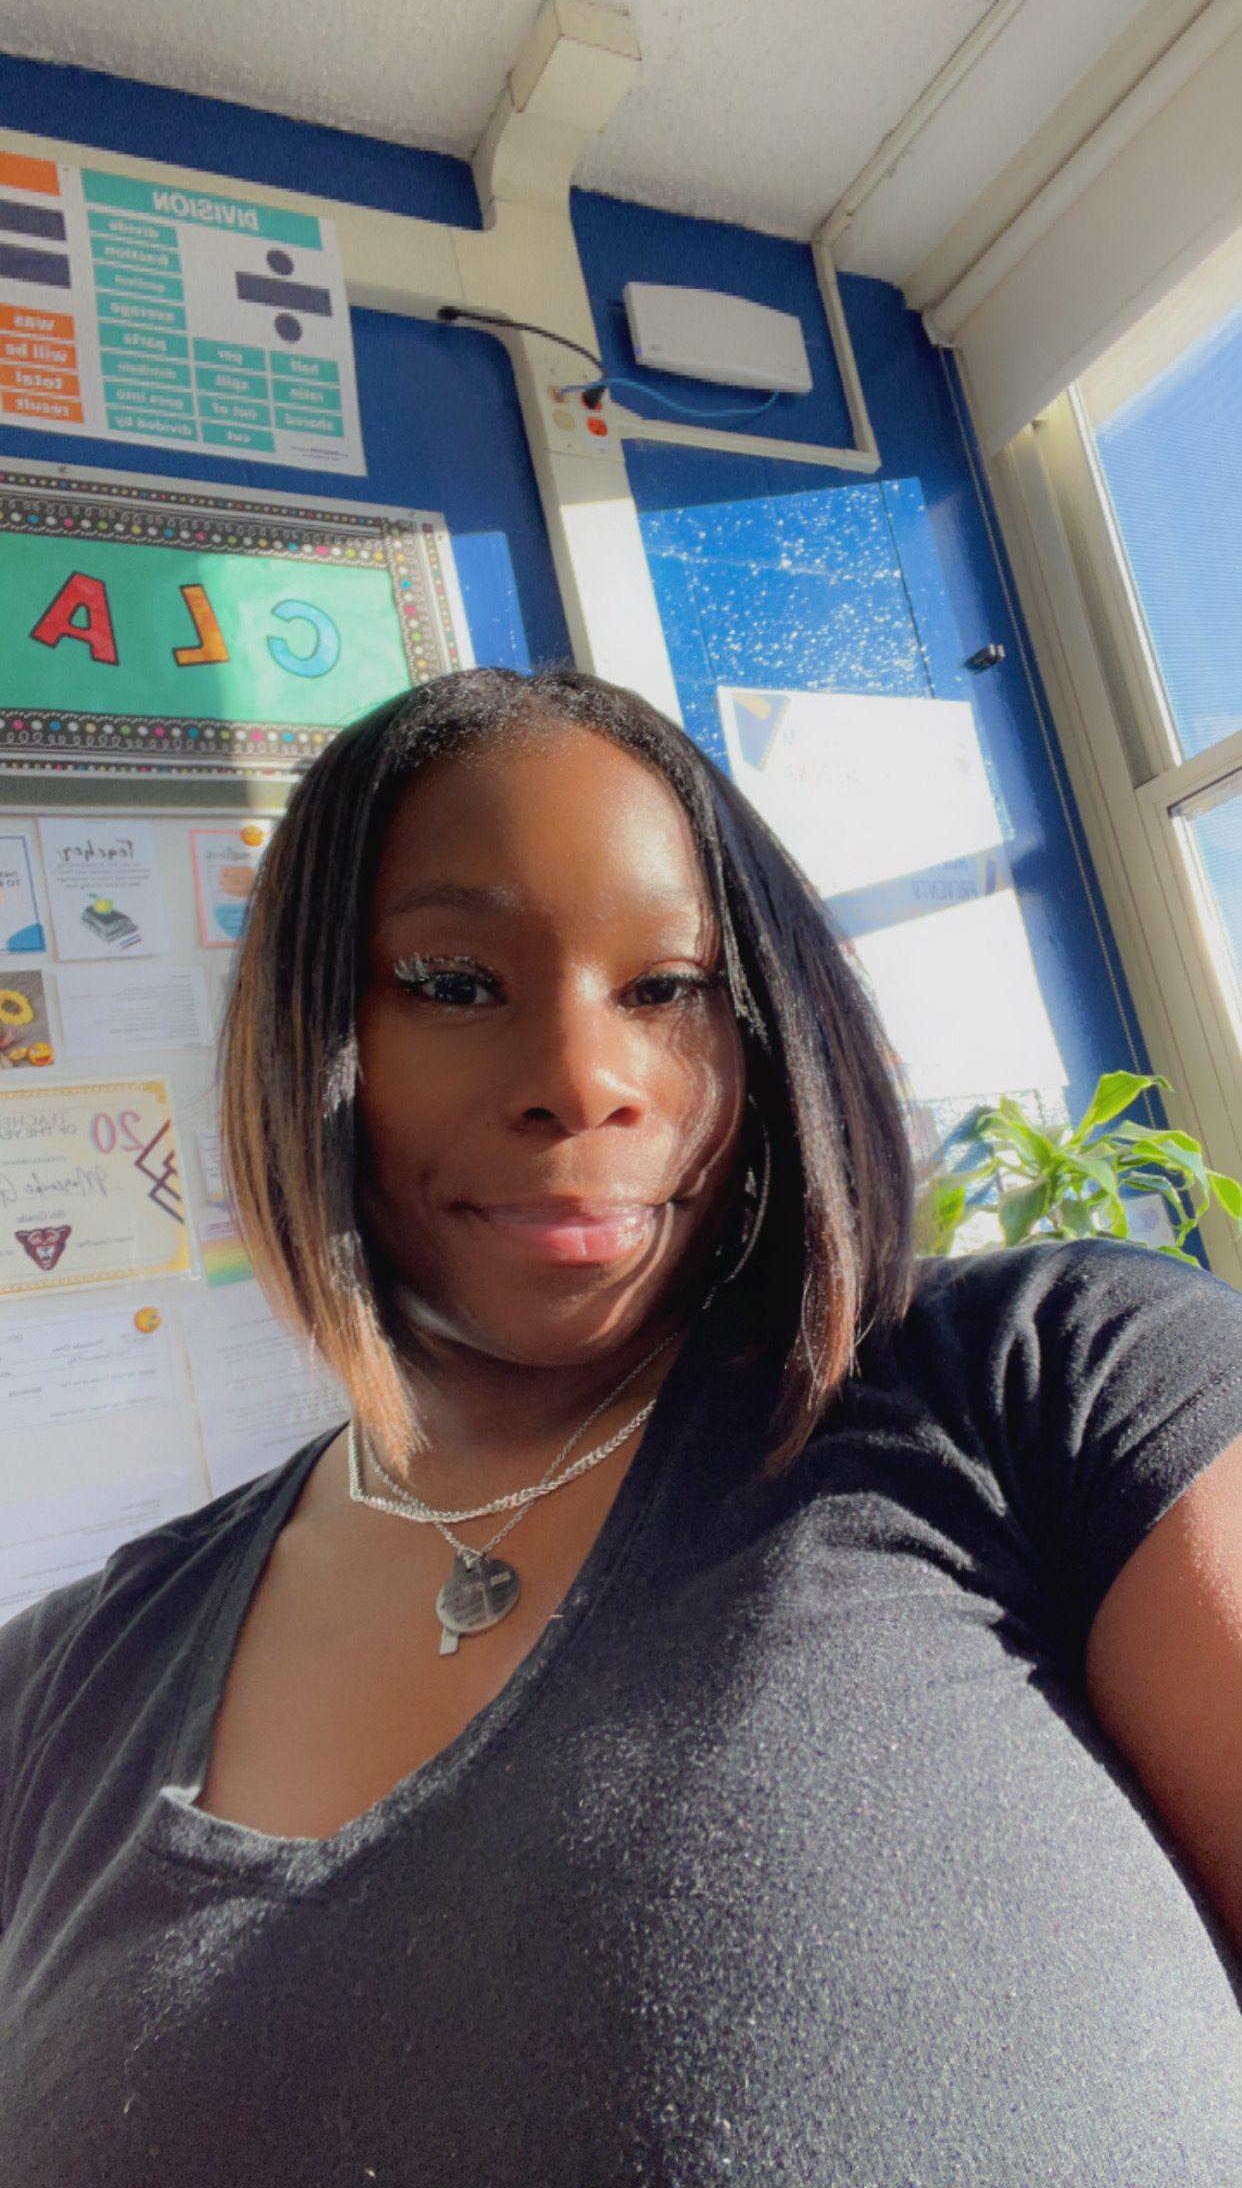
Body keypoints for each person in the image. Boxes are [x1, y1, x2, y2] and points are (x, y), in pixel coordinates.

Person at [1, 666, 1241, 2185]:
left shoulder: (1050, 1384)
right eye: (453, 983)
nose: (583, 1084)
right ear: (306, 1033)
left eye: (666, 988)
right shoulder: (60, 1689)